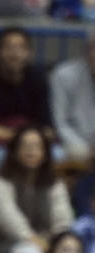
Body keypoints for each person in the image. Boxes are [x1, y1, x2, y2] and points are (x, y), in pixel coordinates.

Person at [0, 127, 74, 253]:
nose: (31, 151)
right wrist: (38, 243)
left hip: (48, 242)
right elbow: (10, 222)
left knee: (69, 249)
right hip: (6, 244)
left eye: (37, 146)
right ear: (14, 151)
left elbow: (63, 220)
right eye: (25, 146)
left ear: (46, 152)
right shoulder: (1, 182)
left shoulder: (54, 182)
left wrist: (59, 244)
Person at [0, 26, 50, 152]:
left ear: (30, 53)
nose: (15, 53)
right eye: (8, 47)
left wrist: (28, 140)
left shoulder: (38, 77)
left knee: (57, 155)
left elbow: (47, 127)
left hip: (32, 141)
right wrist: (19, 138)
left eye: (21, 48)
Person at [51, 31, 95, 164]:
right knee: (65, 154)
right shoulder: (63, 75)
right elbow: (60, 122)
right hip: (73, 142)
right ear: (87, 51)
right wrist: (85, 150)